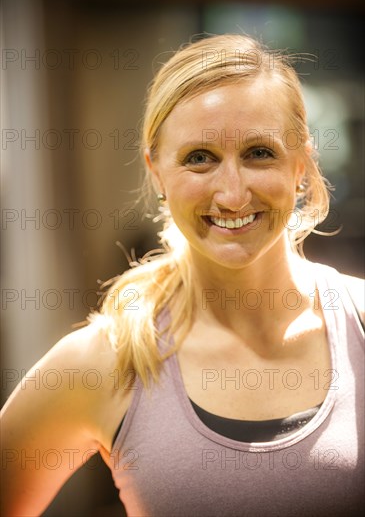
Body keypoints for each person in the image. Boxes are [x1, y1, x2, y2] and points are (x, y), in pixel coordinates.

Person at [1, 34, 364, 517]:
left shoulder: (359, 322)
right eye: (199, 158)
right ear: (156, 173)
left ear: (301, 164)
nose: (233, 194)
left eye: (259, 152)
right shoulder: (106, 360)